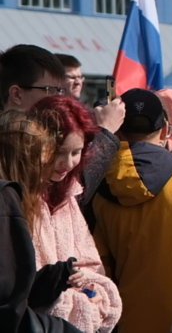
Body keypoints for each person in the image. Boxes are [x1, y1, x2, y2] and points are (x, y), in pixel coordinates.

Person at [90, 88, 172, 333]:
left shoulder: (95, 185)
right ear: (164, 131)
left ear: (116, 129)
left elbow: (97, 262)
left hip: (123, 317)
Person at [26, 97, 122, 332]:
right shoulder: (19, 198)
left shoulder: (68, 196)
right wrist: (85, 303)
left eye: (76, 152)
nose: (67, 163)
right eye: (59, 152)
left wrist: (94, 293)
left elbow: (91, 267)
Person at [1, 45, 124, 211]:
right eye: (50, 90)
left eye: (59, 90)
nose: (58, 97)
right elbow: (72, 191)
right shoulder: (11, 142)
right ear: (16, 94)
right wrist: (106, 131)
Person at [0, 109, 84, 333]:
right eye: (42, 161)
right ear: (23, 160)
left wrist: (55, 277)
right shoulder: (6, 201)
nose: (47, 172)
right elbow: (8, 302)